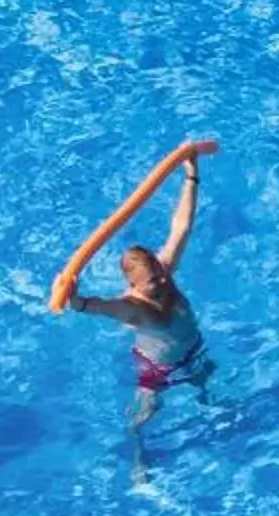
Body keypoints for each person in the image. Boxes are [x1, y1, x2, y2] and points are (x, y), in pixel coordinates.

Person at [64, 147, 211, 473]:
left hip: (192, 348)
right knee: (144, 416)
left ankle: (215, 411)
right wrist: (73, 298)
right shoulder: (134, 308)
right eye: (151, 281)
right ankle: (137, 456)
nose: (161, 282)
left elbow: (181, 227)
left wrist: (191, 174)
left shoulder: (164, 274)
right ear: (133, 285)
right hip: (158, 368)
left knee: (205, 382)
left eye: (160, 274)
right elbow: (96, 307)